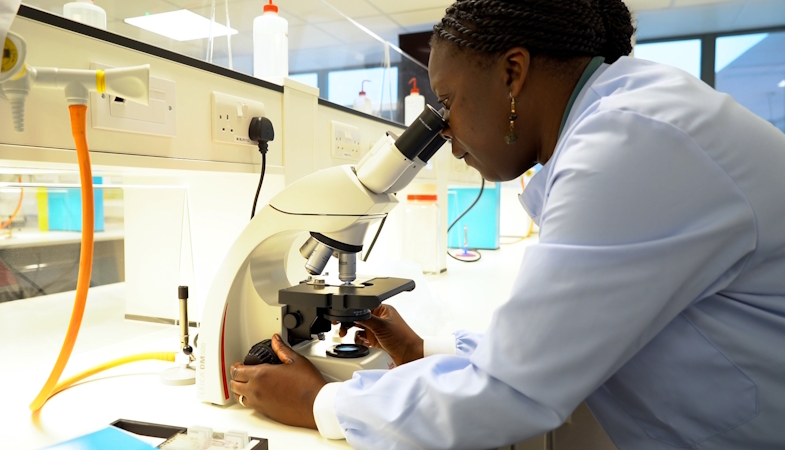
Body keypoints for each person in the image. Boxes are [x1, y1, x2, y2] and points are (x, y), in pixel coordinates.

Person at [228, 0, 785, 448]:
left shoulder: (628, 140)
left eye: (448, 102)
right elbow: (557, 334)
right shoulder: (626, 117)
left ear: (512, 72)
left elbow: (512, 392)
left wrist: (316, 405)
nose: (444, 132)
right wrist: (426, 352)